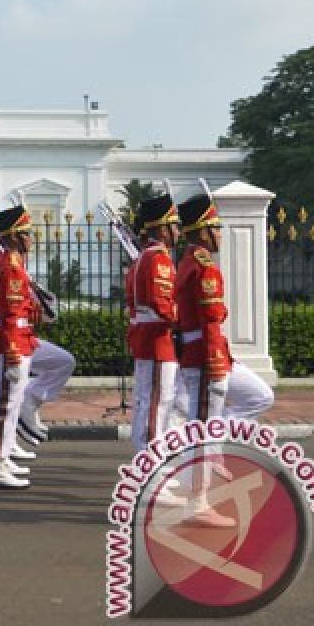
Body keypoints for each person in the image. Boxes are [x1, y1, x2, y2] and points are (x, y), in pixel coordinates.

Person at [172, 191, 274, 527]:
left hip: (210, 353)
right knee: (202, 429)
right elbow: (210, 320)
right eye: (215, 228)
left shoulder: (189, 263)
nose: (219, 234)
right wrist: (217, 362)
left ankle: (212, 455)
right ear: (202, 231)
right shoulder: (202, 267)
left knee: (258, 396)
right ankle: (196, 502)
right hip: (206, 355)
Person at [0, 205, 40, 490]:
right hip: (12, 343)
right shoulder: (9, 266)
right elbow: (9, 314)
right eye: (26, 233)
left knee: (10, 403)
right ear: (14, 236)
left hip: (18, 339)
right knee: (5, 403)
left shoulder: (13, 263)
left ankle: (3, 458)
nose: (31, 238)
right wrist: (14, 351)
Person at [126, 193, 181, 454]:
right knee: (157, 403)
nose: (179, 232)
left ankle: (145, 459)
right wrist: (187, 317)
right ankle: (151, 464)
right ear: (162, 228)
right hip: (157, 340)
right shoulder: (157, 259)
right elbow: (162, 305)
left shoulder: (144, 257)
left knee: (148, 401)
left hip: (148, 338)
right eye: (175, 226)